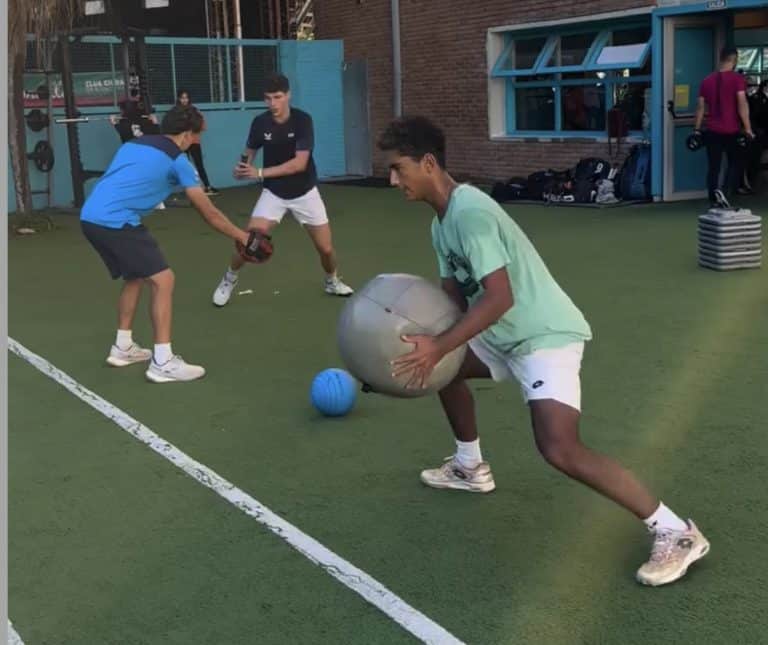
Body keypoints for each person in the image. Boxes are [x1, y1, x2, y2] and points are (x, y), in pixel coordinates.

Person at [378, 115, 710, 587]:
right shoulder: (440, 225)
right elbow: (453, 302)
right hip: (501, 333)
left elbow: (499, 297)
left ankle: (676, 532)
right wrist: (400, 356)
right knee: (443, 368)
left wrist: (440, 347)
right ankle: (469, 466)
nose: (393, 180)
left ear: (428, 162)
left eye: (398, 168)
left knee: (559, 447)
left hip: (543, 334)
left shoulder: (470, 212)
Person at [80, 105, 253, 383]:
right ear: (185, 134)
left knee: (135, 276)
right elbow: (208, 212)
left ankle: (122, 347)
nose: (198, 140)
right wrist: (242, 236)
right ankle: (163, 362)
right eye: (197, 135)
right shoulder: (178, 161)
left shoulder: (134, 144)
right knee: (164, 280)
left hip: (90, 217)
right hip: (117, 221)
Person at [211, 74, 353, 305]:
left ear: (288, 95)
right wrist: (242, 167)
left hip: (305, 192)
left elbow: (299, 164)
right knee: (249, 242)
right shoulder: (260, 122)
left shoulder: (302, 121)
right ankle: (229, 279)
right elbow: (249, 151)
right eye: (268, 98)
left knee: (326, 249)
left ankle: (332, 281)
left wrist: (259, 172)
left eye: (277, 97)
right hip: (274, 193)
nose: (273, 103)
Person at [694, 47, 755, 207]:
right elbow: (742, 104)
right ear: (734, 61)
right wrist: (748, 128)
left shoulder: (706, 81)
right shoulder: (737, 79)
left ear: (720, 59)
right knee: (735, 163)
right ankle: (725, 192)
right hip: (731, 130)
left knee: (713, 167)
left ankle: (714, 198)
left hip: (712, 131)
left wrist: (697, 130)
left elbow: (700, 108)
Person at [176, 90, 219, 196]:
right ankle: (190, 189)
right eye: (182, 98)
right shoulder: (175, 112)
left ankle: (207, 187)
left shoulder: (195, 111)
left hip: (194, 142)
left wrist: (193, 129)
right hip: (182, 143)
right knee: (185, 166)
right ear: (178, 99)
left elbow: (203, 126)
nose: (184, 100)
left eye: (186, 98)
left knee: (199, 164)